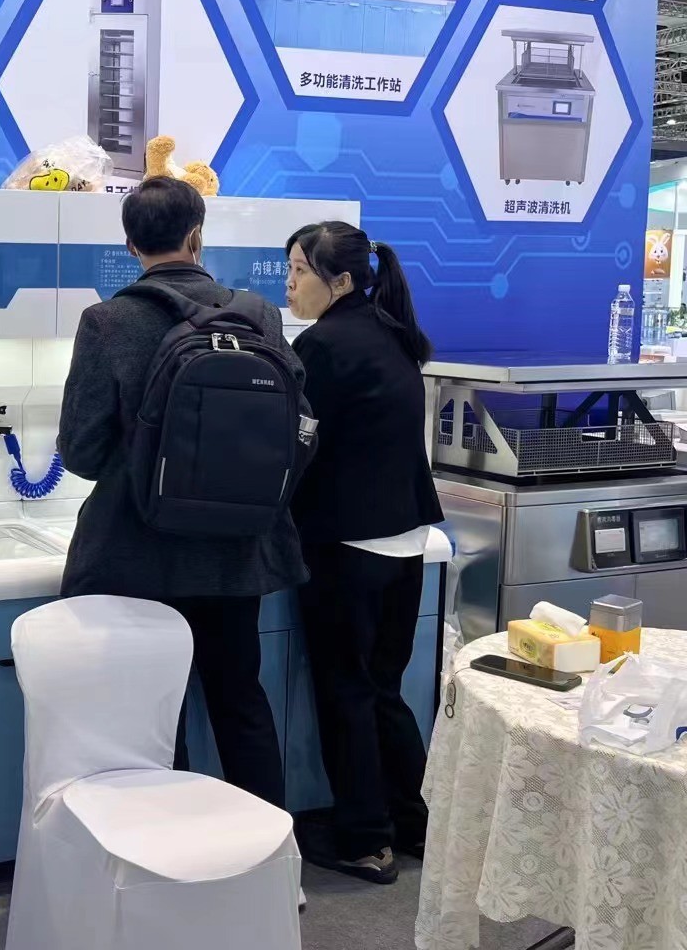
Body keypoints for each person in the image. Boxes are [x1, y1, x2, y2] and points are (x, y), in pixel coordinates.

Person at [57, 177, 309, 809]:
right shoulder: (258, 315)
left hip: (139, 554)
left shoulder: (107, 321)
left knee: (152, 714)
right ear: (197, 235)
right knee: (240, 700)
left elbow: (81, 452)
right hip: (237, 552)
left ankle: (163, 849)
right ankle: (268, 851)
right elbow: (297, 427)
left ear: (129, 244)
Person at [284, 220, 443, 885]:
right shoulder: (394, 335)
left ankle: (364, 840)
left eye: (299, 270)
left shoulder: (323, 345)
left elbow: (298, 447)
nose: (289, 283)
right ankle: (414, 825)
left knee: (346, 691)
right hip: (407, 540)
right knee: (383, 689)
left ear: (340, 280)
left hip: (348, 543)